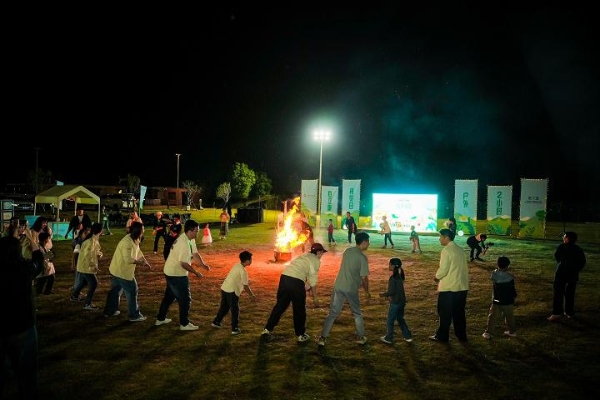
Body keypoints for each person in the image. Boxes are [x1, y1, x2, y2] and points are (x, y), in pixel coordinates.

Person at [0, 234, 44, 400]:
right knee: (27, 374)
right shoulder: (24, 269)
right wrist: (32, 241)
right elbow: (38, 259)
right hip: (22, 328)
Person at [261, 243, 326, 343]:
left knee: (280, 306)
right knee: (299, 309)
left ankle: (267, 329)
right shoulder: (316, 261)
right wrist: (315, 297)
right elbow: (312, 280)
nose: (322, 255)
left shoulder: (303, 256)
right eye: (322, 253)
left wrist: (306, 287)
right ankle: (301, 335)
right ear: (318, 252)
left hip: (285, 277)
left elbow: (297, 273)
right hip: (296, 282)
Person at [317, 231, 371, 347]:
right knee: (357, 313)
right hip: (350, 289)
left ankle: (323, 338)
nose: (369, 244)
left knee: (332, 313)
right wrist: (367, 291)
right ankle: (361, 336)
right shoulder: (362, 258)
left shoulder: (347, 251)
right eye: (368, 242)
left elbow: (351, 270)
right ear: (364, 242)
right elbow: (364, 278)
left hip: (338, 285)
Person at [156, 219, 211, 331]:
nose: (198, 233)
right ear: (190, 231)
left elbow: (195, 254)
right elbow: (184, 264)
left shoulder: (189, 239)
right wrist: (196, 272)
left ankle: (160, 318)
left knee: (170, 297)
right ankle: (184, 324)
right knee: (185, 299)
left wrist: (203, 265)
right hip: (176, 274)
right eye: (196, 231)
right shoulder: (184, 244)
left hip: (171, 271)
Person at [103, 222, 151, 322]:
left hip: (118, 270)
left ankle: (110, 311)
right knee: (133, 290)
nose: (144, 230)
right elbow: (127, 259)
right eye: (143, 229)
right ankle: (134, 315)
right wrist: (140, 262)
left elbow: (138, 251)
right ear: (138, 231)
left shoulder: (135, 238)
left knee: (115, 291)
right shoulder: (126, 242)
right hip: (122, 271)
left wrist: (144, 260)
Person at [430, 228, 469, 343]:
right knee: (459, 313)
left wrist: (436, 277)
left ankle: (442, 336)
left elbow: (444, 269)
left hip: (449, 288)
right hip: (462, 287)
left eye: (440, 237)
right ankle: (461, 336)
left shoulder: (447, 250)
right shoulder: (460, 250)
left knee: (445, 313)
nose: (439, 239)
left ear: (446, 237)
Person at [211, 250, 255, 335]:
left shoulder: (237, 265)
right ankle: (235, 328)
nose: (251, 261)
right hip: (232, 291)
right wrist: (251, 295)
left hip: (225, 288)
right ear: (247, 261)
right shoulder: (243, 271)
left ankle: (216, 322)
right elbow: (245, 285)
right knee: (235, 310)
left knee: (224, 307)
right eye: (251, 259)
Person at [548, 231, 586, 321]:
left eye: (564, 237)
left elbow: (557, 256)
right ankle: (569, 312)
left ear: (568, 238)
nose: (563, 238)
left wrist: (563, 264)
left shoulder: (562, 247)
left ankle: (557, 313)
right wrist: (576, 269)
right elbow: (582, 262)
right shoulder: (578, 249)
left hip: (561, 273)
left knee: (558, 293)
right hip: (573, 274)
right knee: (570, 293)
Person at [482, 256, 517, 338]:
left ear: (497, 264)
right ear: (508, 266)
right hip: (508, 300)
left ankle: (488, 332)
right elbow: (512, 288)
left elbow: (493, 276)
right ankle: (512, 331)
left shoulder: (494, 274)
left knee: (493, 316)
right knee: (509, 316)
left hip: (497, 300)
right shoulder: (510, 277)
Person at [379, 257, 412, 344]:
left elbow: (392, 291)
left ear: (393, 266)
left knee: (390, 320)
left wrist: (383, 294)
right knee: (400, 318)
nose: (388, 266)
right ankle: (407, 336)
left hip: (395, 302)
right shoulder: (400, 276)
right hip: (402, 301)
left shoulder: (393, 278)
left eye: (389, 264)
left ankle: (389, 337)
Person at [71, 223, 103, 310]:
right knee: (94, 284)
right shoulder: (91, 241)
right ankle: (87, 304)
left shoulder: (92, 239)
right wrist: (94, 265)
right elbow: (87, 255)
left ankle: (74, 295)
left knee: (85, 282)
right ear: (100, 231)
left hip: (83, 265)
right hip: (86, 266)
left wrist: (99, 254)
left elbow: (95, 250)